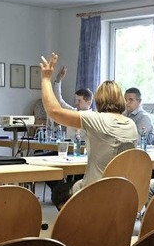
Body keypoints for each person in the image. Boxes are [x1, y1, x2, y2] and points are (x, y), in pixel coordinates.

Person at [41, 53, 138, 209]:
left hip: (95, 189)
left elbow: (53, 110)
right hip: (122, 189)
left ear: (98, 101)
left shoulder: (95, 119)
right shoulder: (131, 124)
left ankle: (78, 221)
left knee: (58, 192)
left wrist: (46, 79)